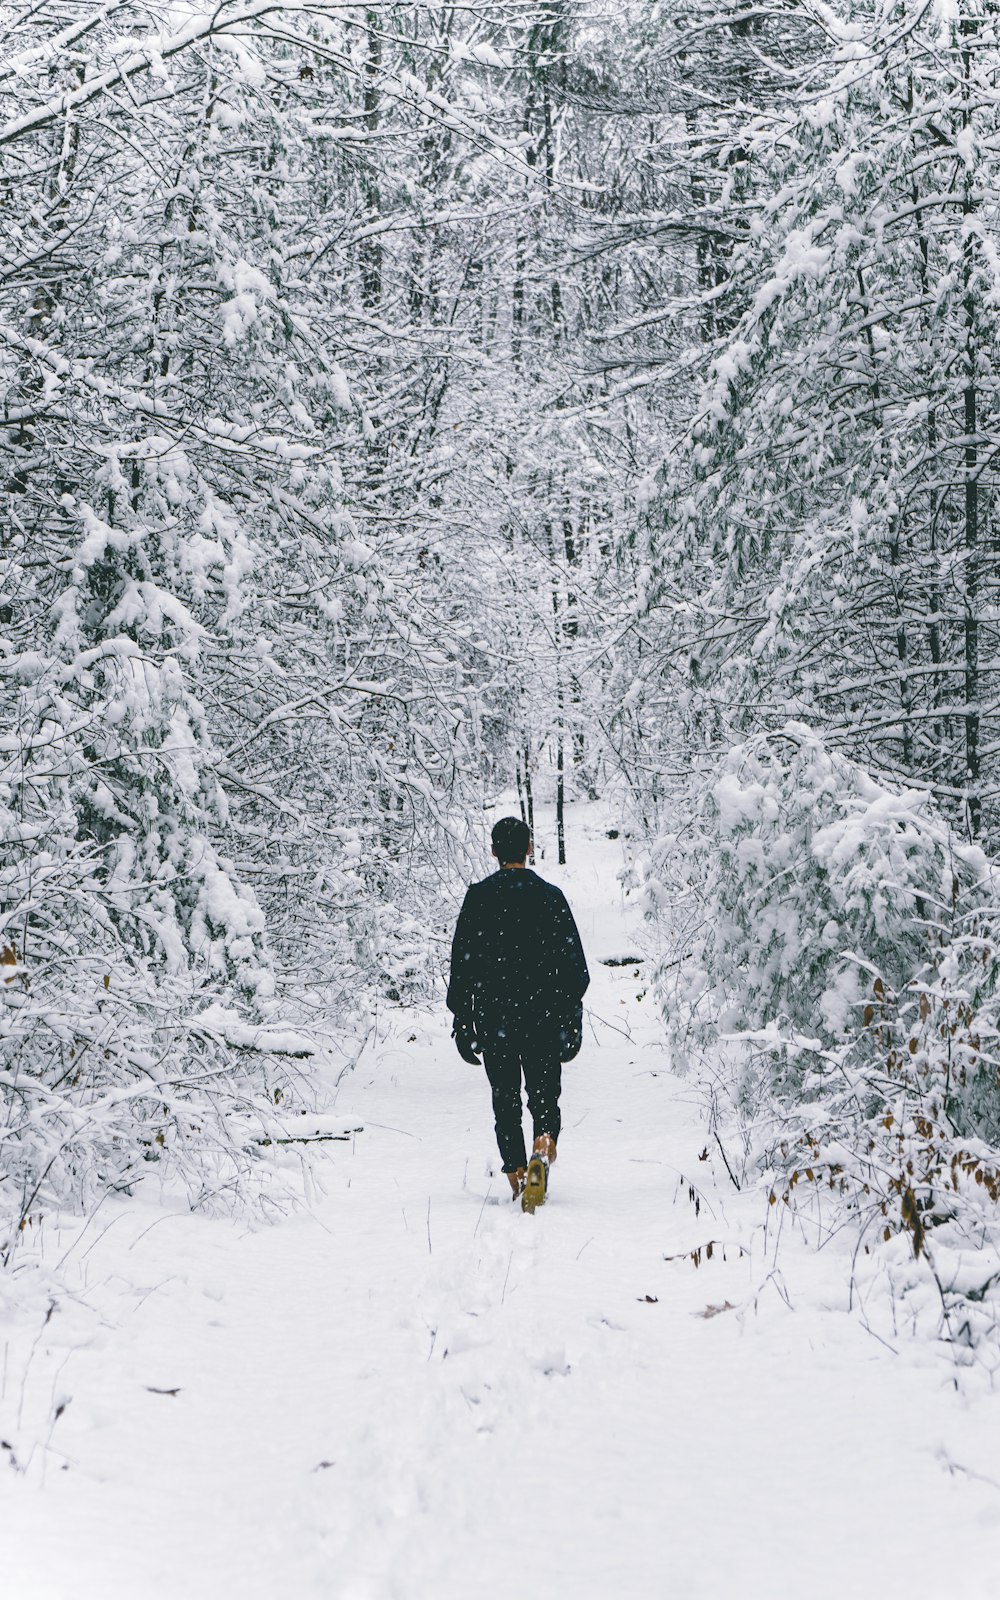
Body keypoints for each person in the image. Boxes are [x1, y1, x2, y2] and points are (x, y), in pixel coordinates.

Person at [447, 815, 590, 1212]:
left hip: (496, 1021)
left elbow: (462, 966)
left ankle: (517, 1175)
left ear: (493, 851)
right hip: (542, 1018)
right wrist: (569, 1017)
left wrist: (463, 1020)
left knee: (505, 1099)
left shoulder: (477, 899)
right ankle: (542, 1148)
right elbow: (575, 970)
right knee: (545, 1098)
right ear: (529, 848)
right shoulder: (550, 898)